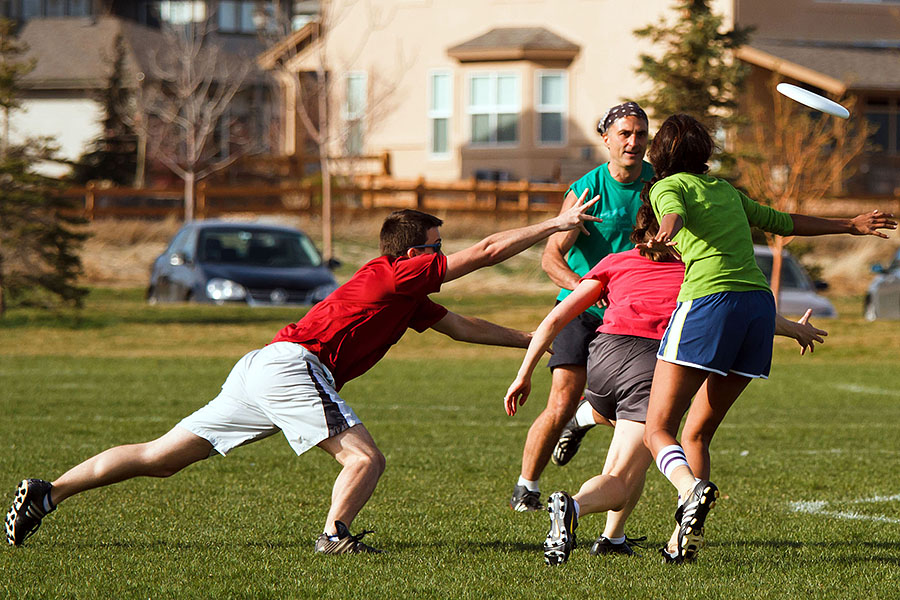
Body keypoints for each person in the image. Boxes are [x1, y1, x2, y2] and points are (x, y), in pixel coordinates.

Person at [4, 199, 602, 553]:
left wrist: (535, 340)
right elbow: (491, 248)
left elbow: (462, 325)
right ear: (411, 252)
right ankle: (334, 535)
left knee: (162, 457)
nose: (440, 255)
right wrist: (553, 224)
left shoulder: (405, 296)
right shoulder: (396, 275)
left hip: (266, 366)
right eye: (435, 247)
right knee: (364, 460)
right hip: (293, 367)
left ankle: (48, 492)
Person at [503, 203, 827, 565]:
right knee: (623, 475)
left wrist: (523, 373)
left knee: (632, 448)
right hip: (649, 363)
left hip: (604, 358)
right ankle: (574, 508)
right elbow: (733, 311)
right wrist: (794, 329)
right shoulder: (694, 271)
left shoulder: (615, 262)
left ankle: (612, 530)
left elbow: (554, 320)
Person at [638, 113, 896, 563]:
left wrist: (664, 235)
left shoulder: (664, 187)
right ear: (704, 154)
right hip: (758, 308)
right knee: (697, 433)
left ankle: (690, 487)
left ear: (659, 152)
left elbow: (673, 214)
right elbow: (785, 222)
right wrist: (848, 225)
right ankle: (683, 544)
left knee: (657, 429)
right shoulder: (727, 192)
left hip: (709, 303)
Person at [509, 101, 655, 512]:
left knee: (641, 407)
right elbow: (551, 257)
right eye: (624, 134)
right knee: (562, 398)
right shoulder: (587, 190)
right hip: (584, 310)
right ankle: (527, 487)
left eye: (640, 134)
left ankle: (586, 419)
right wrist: (584, 288)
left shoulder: (658, 186)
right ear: (605, 138)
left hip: (635, 316)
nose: (633, 142)